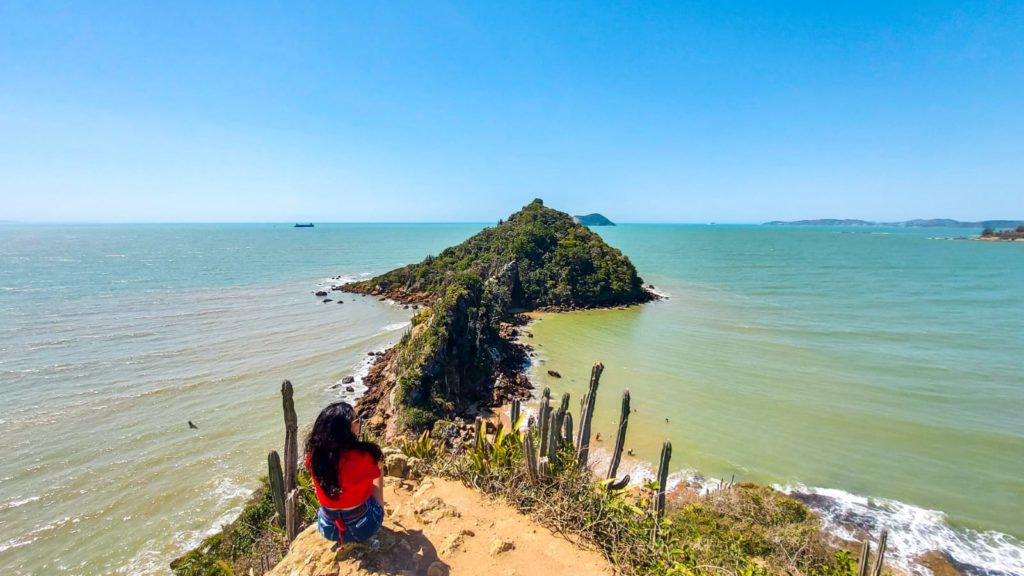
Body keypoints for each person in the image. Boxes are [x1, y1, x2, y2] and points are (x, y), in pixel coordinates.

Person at [304, 401, 385, 549]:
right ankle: (380, 508)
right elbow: (377, 469)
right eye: (356, 420)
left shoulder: (314, 458)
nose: (359, 423)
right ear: (347, 429)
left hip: (329, 528)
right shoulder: (364, 457)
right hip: (363, 527)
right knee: (378, 473)